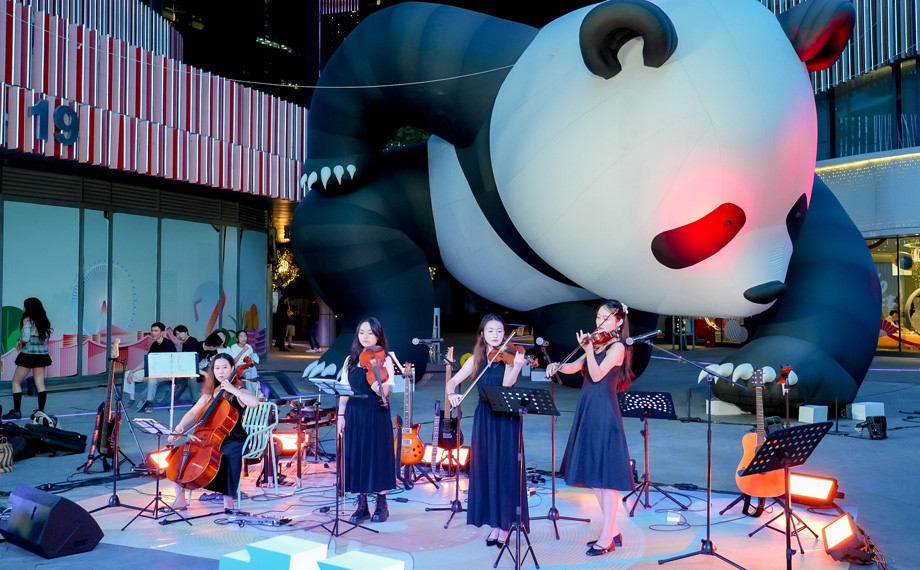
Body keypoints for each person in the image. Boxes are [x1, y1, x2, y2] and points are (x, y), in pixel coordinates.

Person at [546, 299, 635, 556]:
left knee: (606, 479)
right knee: (596, 478)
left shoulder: (617, 348)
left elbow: (596, 375)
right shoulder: (599, 343)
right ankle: (612, 530)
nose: (600, 322)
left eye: (606, 317)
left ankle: (607, 538)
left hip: (604, 410)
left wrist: (588, 349)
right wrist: (556, 366)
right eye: (598, 317)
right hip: (589, 408)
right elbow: (576, 367)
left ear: (618, 321)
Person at [446, 313, 527, 547]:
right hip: (484, 418)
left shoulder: (510, 358)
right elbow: (453, 382)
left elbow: (506, 386)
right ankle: (494, 523)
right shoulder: (476, 359)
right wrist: (452, 394)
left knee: (505, 470)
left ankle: (506, 525)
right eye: (491, 331)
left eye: (500, 331)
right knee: (487, 468)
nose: (496, 335)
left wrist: (516, 367)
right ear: (482, 334)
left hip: (505, 418)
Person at [166, 353, 259, 512]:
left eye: (225, 367)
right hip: (208, 438)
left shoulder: (239, 391)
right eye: (217, 368)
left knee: (227, 457)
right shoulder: (209, 394)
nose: (221, 371)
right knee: (177, 454)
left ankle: (228, 503)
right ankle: (180, 500)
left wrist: (232, 389)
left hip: (233, 438)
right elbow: (193, 413)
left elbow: (254, 403)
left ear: (232, 368)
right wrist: (177, 430)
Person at [336, 317, 396, 523]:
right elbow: (345, 390)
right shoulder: (350, 360)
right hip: (354, 412)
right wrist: (340, 416)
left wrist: (376, 383)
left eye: (370, 332)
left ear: (378, 335)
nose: (365, 337)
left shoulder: (385, 359)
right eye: (362, 332)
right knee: (357, 455)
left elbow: (385, 392)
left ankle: (381, 504)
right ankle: (362, 505)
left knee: (377, 456)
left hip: (375, 411)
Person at [3, 298, 53, 420]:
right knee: (40, 383)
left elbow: (26, 338)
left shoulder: (27, 321)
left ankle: (16, 411)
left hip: (28, 355)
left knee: (16, 381)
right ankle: (40, 412)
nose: (23, 308)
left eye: (24, 306)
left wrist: (19, 341)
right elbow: (44, 338)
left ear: (29, 308)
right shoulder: (44, 322)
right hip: (41, 355)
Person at [126, 322, 177, 413]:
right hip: (152, 372)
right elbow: (147, 361)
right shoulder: (154, 345)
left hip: (166, 373)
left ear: (162, 332)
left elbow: (166, 364)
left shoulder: (168, 344)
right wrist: (133, 371)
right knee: (128, 373)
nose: (153, 333)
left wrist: (149, 374)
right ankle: (132, 400)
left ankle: (149, 404)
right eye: (152, 331)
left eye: (156, 331)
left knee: (152, 379)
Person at [220, 330, 261, 395]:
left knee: (248, 374)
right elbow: (234, 361)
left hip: (247, 369)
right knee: (253, 369)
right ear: (237, 339)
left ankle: (251, 395)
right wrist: (243, 351)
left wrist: (254, 360)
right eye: (241, 336)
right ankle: (258, 391)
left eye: (245, 336)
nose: (244, 338)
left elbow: (252, 359)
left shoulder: (249, 347)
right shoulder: (234, 347)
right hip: (238, 370)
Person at [174, 325, 202, 400]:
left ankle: (195, 400)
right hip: (187, 368)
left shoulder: (192, 341)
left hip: (194, 368)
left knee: (191, 377)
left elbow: (192, 358)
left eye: (180, 333)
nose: (179, 336)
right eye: (177, 334)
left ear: (186, 332)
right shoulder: (185, 343)